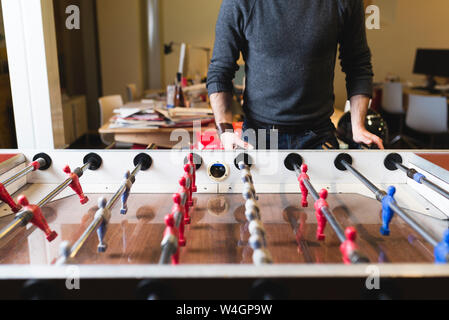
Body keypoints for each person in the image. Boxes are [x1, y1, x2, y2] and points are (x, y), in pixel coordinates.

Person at [207, 0, 384, 150]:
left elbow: (358, 65)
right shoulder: (240, 2)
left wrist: (358, 126)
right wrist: (225, 131)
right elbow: (220, 70)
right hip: (258, 136)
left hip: (318, 136)